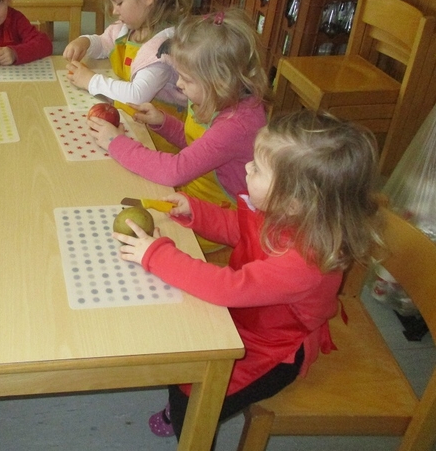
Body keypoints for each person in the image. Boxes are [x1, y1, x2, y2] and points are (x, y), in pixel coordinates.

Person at [113, 110, 383, 441]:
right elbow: (240, 230)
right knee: (185, 342)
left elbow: (227, 288)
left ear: (294, 201)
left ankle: (188, 419)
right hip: (250, 314)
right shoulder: (290, 215)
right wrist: (197, 212)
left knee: (197, 384)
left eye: (256, 168)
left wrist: (156, 255)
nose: (245, 168)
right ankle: (182, 405)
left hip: (273, 349)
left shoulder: (304, 264)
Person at [88, 9, 268, 253]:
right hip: (191, 197)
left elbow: (174, 171)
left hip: (220, 219)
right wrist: (163, 121)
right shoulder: (212, 96)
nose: (179, 84)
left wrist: (115, 142)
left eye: (186, 79)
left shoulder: (237, 125)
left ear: (220, 81)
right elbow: (198, 145)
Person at [63, 0, 193, 142]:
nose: (115, 11)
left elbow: (137, 94)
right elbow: (106, 42)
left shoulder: (164, 48)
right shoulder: (131, 28)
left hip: (157, 140)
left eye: (119, 2)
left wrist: (91, 81)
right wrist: (86, 42)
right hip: (129, 122)